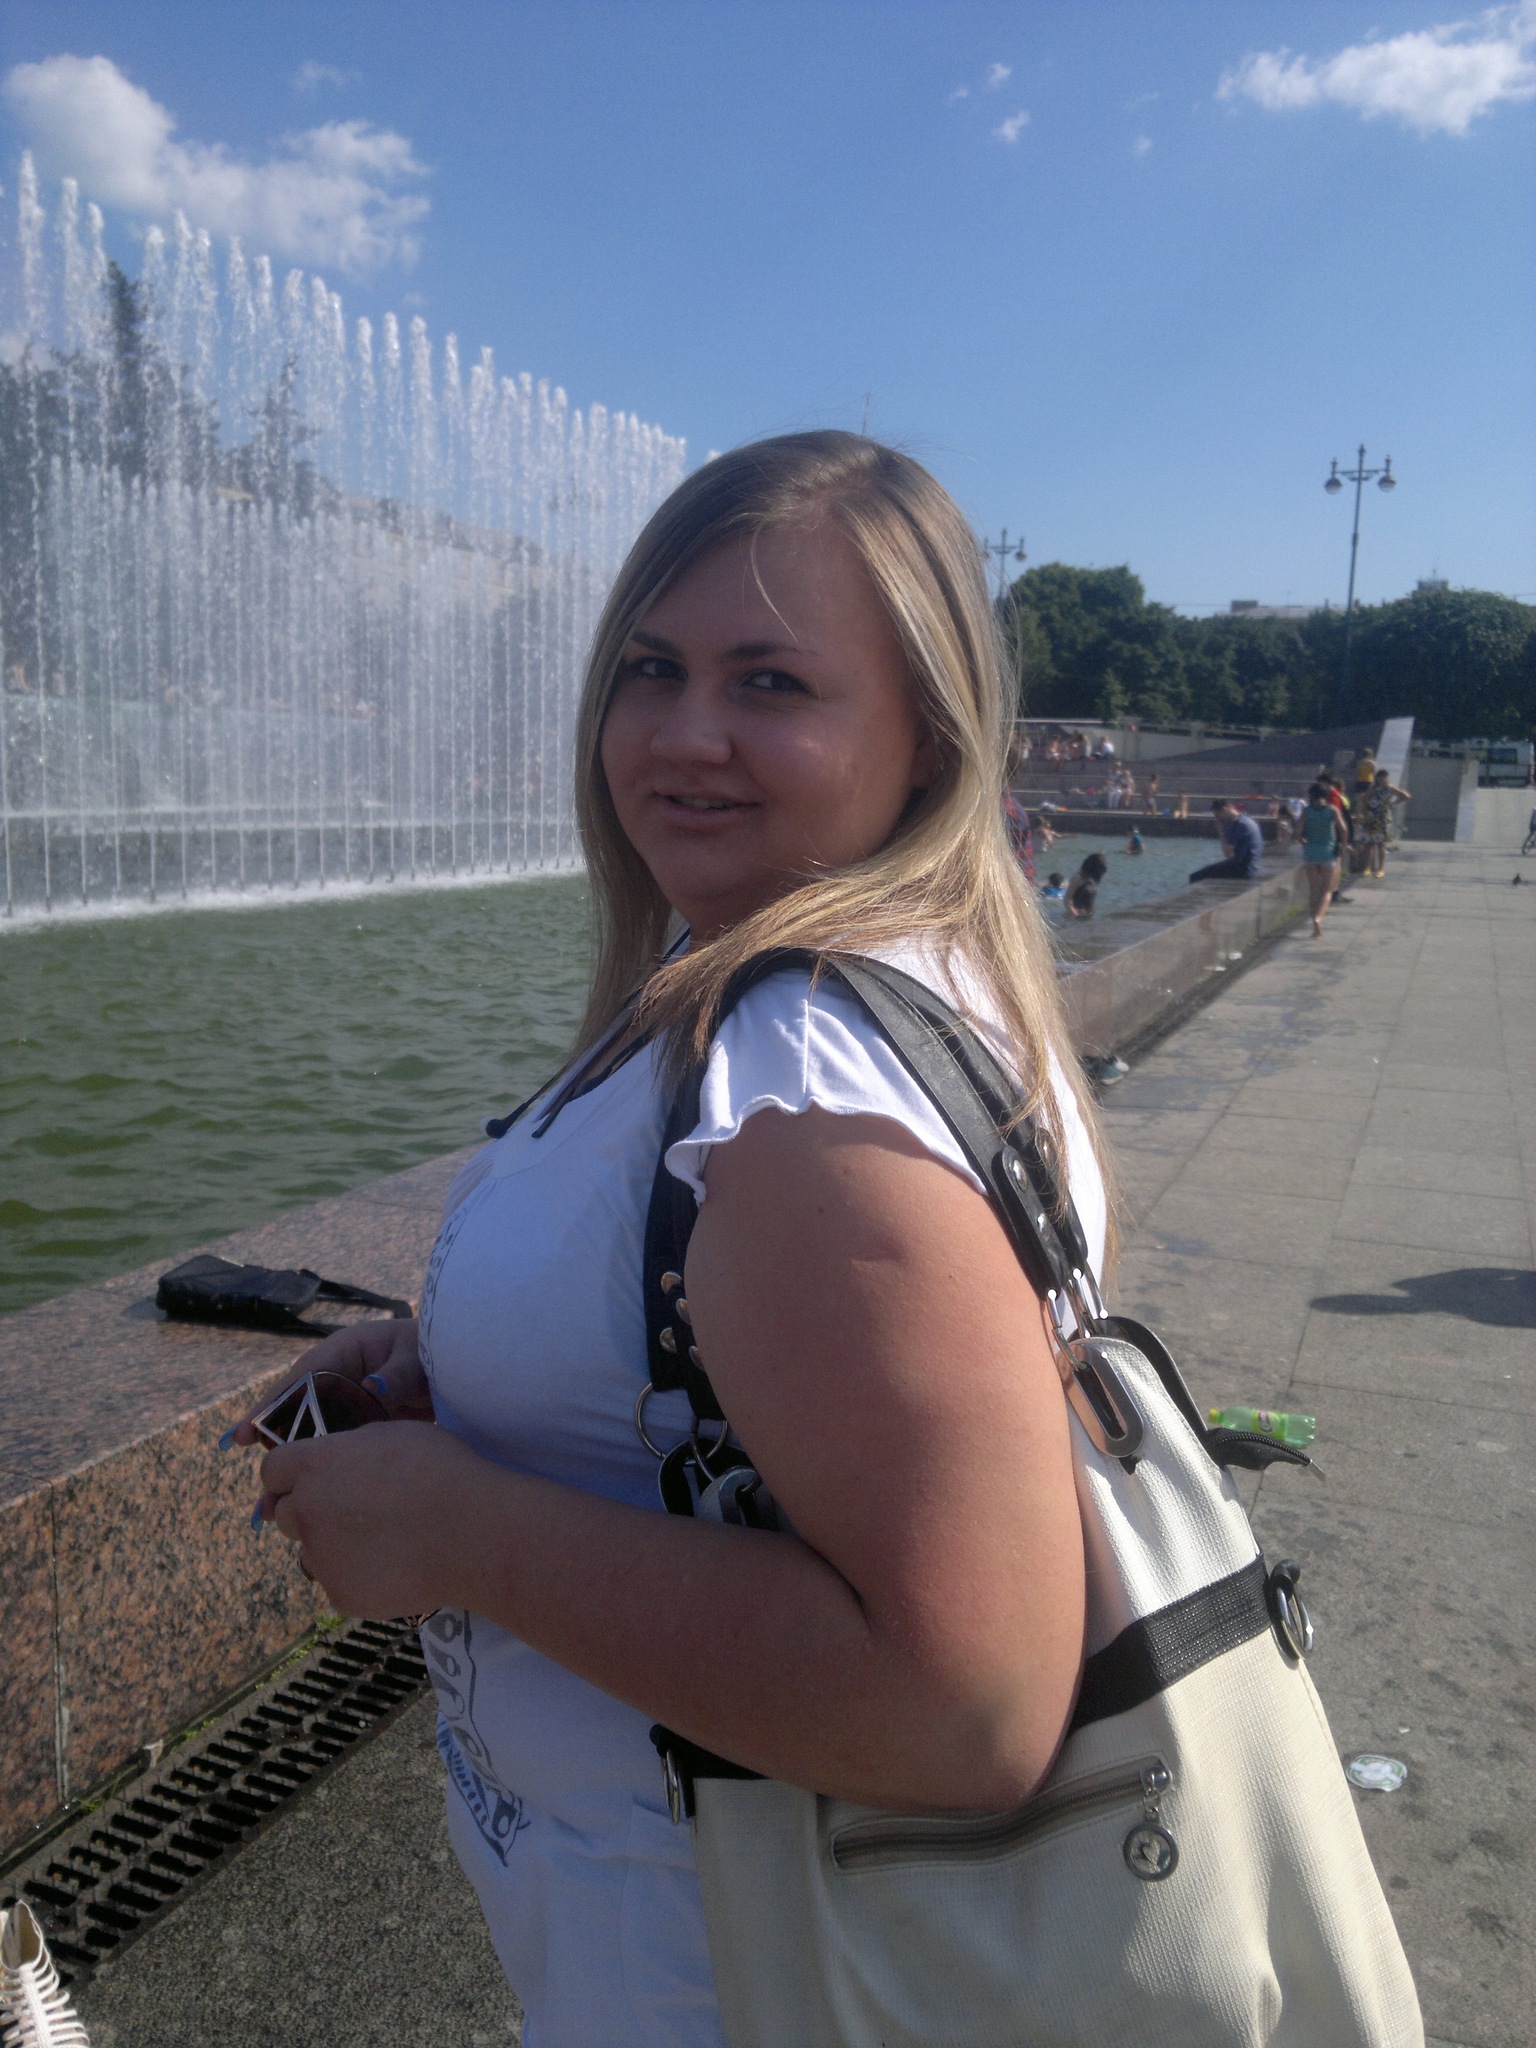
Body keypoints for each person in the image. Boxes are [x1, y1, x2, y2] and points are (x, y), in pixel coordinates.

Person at [232, 433, 1111, 2046]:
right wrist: (478, 1367)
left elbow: (962, 1705)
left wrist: (458, 1529)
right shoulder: (868, 987)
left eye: (771, 681)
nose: (685, 733)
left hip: (728, 1980)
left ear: (928, 734)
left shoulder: (800, 1087)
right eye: (652, 668)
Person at [1301, 778, 1347, 934]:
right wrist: (1342, 847)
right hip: (1327, 854)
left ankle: (1313, 919)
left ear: (1312, 795)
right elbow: (1343, 829)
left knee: (1313, 890)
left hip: (1310, 854)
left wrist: (1302, 840)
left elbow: (1296, 832)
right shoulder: (1332, 810)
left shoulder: (1307, 811)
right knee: (1327, 891)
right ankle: (1318, 919)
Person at [1189, 798, 1263, 883]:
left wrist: (1220, 831)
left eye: (1217, 815)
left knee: (1195, 876)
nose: (1218, 819)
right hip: (1251, 866)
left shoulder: (1239, 825)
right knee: (1209, 868)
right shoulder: (1246, 820)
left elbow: (1228, 854)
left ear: (1224, 810)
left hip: (1243, 870)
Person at [1358, 767, 1410, 879]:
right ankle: (1367, 868)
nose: (1382, 780)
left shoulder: (1390, 789)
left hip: (1383, 818)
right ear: (1377, 778)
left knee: (1381, 844)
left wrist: (1394, 803)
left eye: (1384, 778)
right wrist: (1362, 814)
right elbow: (1365, 801)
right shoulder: (1372, 789)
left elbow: (1406, 796)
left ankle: (1381, 869)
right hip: (1372, 817)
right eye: (1380, 778)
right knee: (1369, 844)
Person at [1067, 849, 1108, 917]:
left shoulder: (1093, 878)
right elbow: (1067, 900)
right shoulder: (1077, 878)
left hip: (1088, 914)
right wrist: (1076, 916)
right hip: (1077, 914)